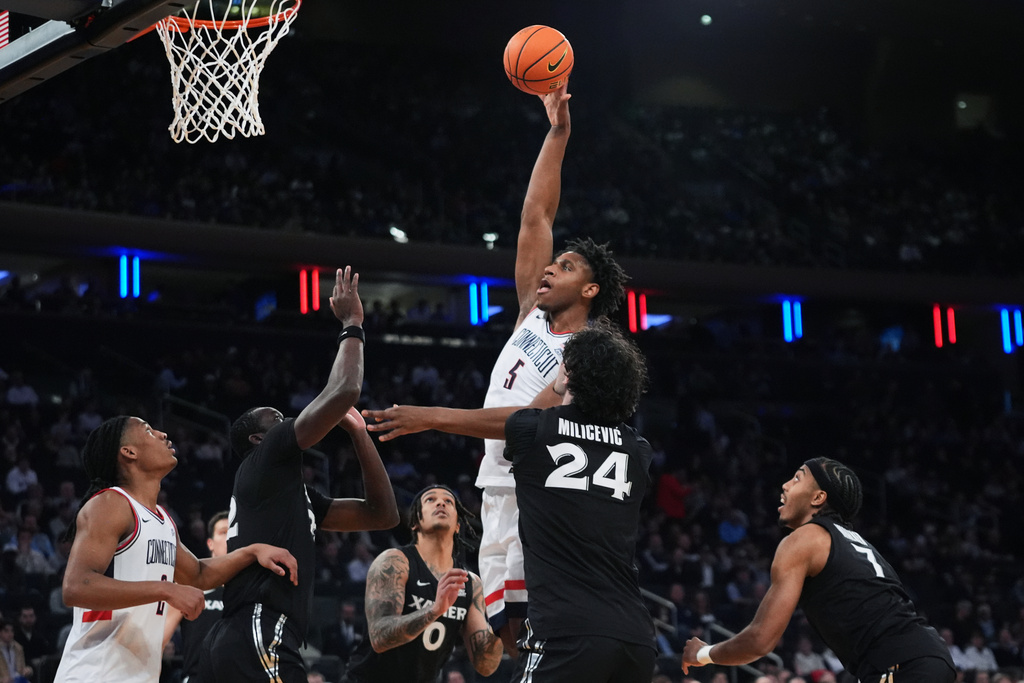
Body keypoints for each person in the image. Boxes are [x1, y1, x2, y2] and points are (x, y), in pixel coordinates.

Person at [362, 84, 629, 655]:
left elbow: (528, 421)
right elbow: (537, 214)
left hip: (541, 492)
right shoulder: (532, 312)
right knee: (503, 640)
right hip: (495, 485)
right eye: (554, 262)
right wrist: (557, 133)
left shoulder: (588, 353)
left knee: (539, 632)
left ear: (590, 288)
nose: (550, 269)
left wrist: (430, 417)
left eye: (567, 266)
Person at [199, 266, 400, 683]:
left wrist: (360, 434)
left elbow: (382, 516)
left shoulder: (290, 494)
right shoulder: (264, 459)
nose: (289, 419)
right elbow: (344, 389)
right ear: (259, 439)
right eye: (277, 418)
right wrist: (352, 324)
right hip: (260, 623)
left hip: (256, 631)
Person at [53, 416, 299, 683]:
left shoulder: (161, 518)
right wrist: (166, 589)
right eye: (148, 431)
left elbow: (198, 574)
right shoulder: (110, 503)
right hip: (93, 673)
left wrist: (251, 552)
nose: (161, 434)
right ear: (128, 452)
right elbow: (77, 587)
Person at [681, 458, 956, 683]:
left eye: (798, 478)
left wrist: (703, 653)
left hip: (902, 664)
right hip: (921, 657)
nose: (786, 485)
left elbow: (759, 641)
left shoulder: (804, 539)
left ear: (818, 497)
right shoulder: (855, 542)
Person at [502, 322, 656, 681]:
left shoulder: (529, 429)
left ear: (569, 372)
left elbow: (526, 417)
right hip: (635, 639)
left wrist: (560, 384)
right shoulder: (639, 450)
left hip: (565, 632)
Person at [343, 485, 502, 682]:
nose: (441, 502)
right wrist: (434, 610)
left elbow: (485, 665)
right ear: (415, 522)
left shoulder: (470, 583)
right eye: (430, 499)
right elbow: (379, 637)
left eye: (449, 501)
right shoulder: (395, 562)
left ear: (458, 525)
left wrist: (504, 616)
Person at [162, 510, 230, 683]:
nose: (230, 537)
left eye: (234, 532)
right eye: (223, 532)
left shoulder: (253, 592)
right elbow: (159, 639)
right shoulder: (190, 586)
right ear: (210, 543)